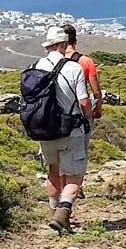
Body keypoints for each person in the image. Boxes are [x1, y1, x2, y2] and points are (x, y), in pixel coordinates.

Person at [34, 26, 93, 233]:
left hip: (44, 130)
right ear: (62, 45)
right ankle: (63, 212)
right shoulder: (73, 68)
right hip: (71, 130)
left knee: (53, 171)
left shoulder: (35, 67)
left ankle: (53, 212)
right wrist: (88, 119)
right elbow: (84, 102)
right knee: (75, 176)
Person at [61, 22, 101, 200]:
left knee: (60, 151)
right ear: (75, 40)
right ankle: (76, 186)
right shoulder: (86, 62)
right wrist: (97, 108)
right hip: (79, 113)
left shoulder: (55, 61)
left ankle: (62, 187)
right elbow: (95, 91)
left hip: (57, 113)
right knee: (80, 152)